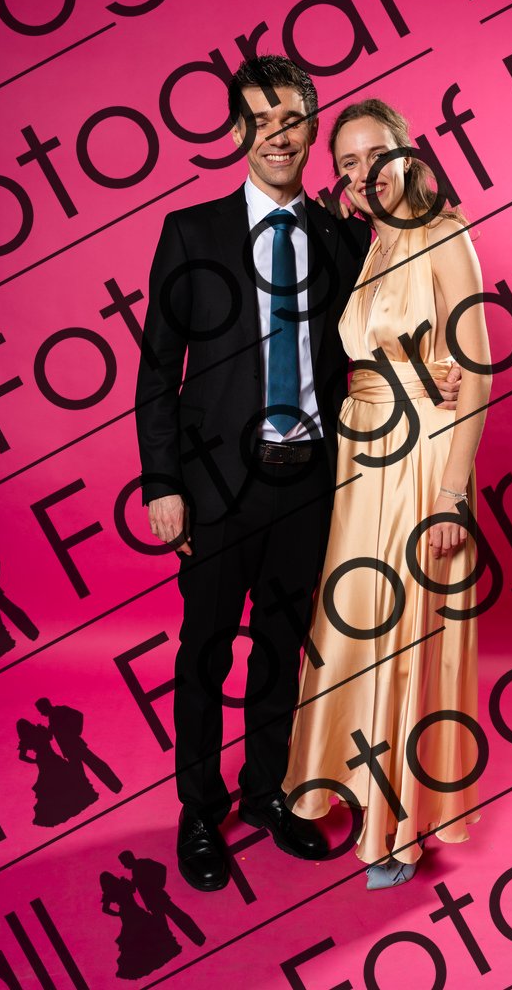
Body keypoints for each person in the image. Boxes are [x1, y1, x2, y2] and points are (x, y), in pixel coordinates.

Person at [135, 56, 462, 893]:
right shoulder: (191, 233)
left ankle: (266, 793)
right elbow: (157, 370)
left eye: (291, 120)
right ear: (236, 131)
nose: (276, 136)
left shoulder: (343, 235)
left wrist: (439, 372)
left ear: (313, 129)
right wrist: (162, 484)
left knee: (283, 651)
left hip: (312, 481)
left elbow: (398, 301)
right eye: (259, 120)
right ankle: (200, 810)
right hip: (214, 488)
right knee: (204, 652)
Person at [283, 99, 491, 890]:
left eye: (373, 155)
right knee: (356, 625)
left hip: (420, 460)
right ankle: (350, 785)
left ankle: (397, 831)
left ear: (408, 152)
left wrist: (449, 493)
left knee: (406, 634)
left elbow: (476, 369)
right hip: (359, 456)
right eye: (345, 164)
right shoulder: (372, 246)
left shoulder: (444, 234)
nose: (362, 173)